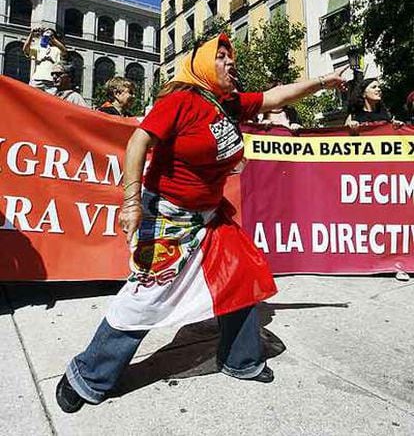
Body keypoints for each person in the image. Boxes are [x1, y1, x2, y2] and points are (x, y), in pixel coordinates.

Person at [56, 33, 346, 413]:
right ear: (204, 64)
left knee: (239, 275)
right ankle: (89, 375)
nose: (231, 63)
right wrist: (130, 204)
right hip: (167, 215)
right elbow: (137, 143)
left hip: (210, 217)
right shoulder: (181, 101)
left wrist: (324, 81)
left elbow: (277, 96)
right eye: (222, 56)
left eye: (232, 57)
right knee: (146, 297)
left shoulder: (228, 104)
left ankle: (240, 360)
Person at [23, 27, 67, 92]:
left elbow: (64, 51)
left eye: (50, 34)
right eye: (46, 33)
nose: (47, 35)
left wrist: (53, 39)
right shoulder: (39, 48)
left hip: (51, 81)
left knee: (51, 101)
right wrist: (31, 34)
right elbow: (25, 49)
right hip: (37, 79)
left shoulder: (57, 49)